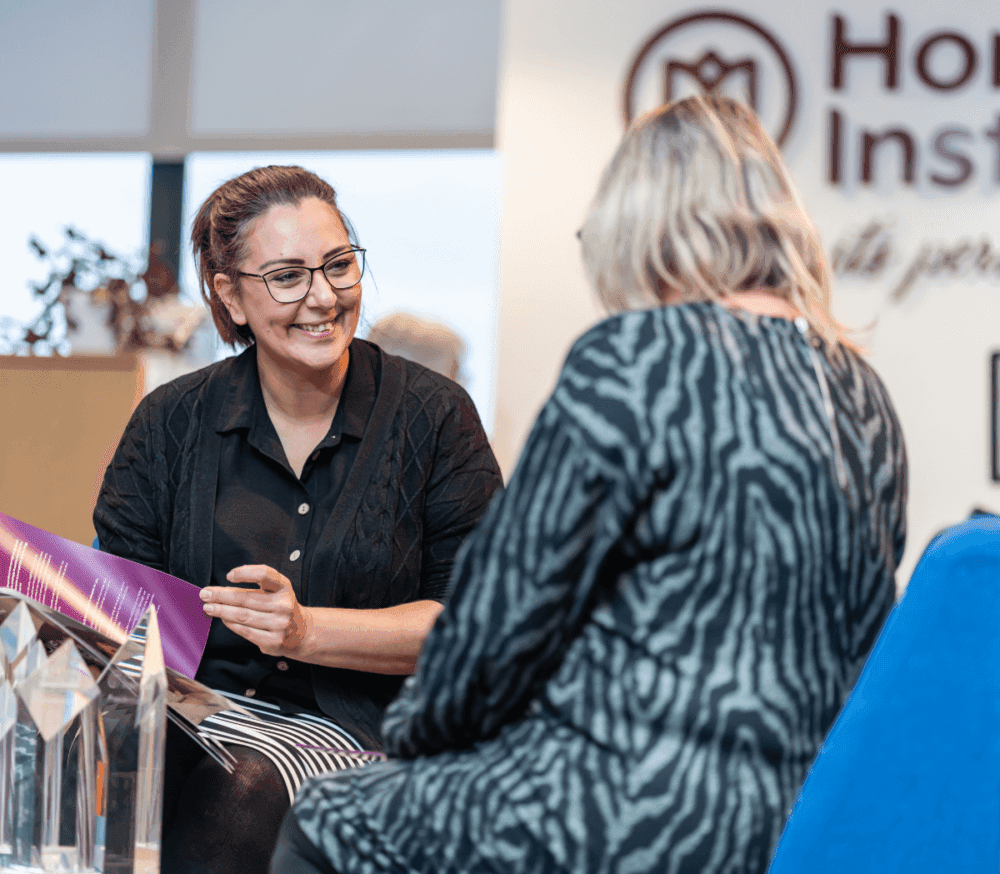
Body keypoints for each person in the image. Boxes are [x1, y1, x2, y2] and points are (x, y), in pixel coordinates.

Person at [275, 94, 908, 874]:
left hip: (619, 807)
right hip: (794, 815)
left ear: (637, 223)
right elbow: (869, 634)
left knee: (331, 813)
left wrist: (411, 746)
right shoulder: (854, 385)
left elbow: (497, 620)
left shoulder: (638, 355)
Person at [93, 165, 503, 873]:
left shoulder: (433, 417)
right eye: (287, 276)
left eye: (339, 265)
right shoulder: (170, 422)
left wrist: (304, 631)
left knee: (239, 785)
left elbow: (478, 626)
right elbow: (116, 610)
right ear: (231, 295)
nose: (324, 296)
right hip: (187, 719)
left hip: (361, 731)